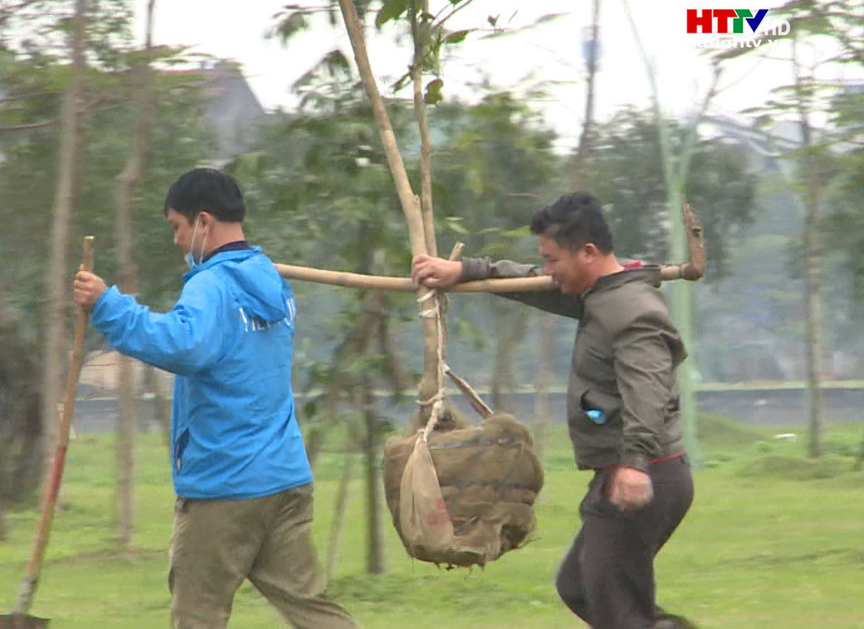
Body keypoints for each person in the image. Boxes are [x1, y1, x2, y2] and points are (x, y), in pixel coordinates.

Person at [73, 167, 355, 629]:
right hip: (283, 477)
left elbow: (182, 344)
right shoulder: (270, 280)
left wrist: (107, 304)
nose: (177, 241)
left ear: (203, 222)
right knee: (311, 609)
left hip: (227, 485)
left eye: (177, 228)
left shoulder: (212, 285)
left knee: (196, 616)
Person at [411, 192, 695, 629]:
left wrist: (635, 464)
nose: (546, 272)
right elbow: (528, 282)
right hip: (624, 470)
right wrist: (466, 270)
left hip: (647, 472)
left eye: (552, 261)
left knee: (616, 608)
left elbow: (649, 392)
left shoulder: (632, 311)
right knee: (580, 585)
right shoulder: (598, 295)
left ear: (588, 253)